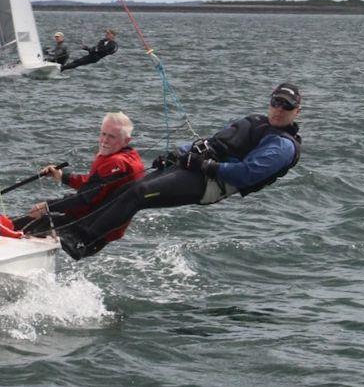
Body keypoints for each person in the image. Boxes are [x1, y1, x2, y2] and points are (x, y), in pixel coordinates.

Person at [59, 83, 303, 260]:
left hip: (210, 184)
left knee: (139, 193)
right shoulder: (257, 120)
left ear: (296, 111)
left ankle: (84, 241)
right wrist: (179, 153)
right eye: (276, 103)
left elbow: (245, 174)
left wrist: (204, 166)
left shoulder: (282, 146)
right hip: (193, 167)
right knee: (126, 188)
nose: (279, 110)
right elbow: (215, 141)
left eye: (286, 106)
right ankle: (74, 228)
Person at [10, 112, 145, 237]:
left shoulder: (117, 163)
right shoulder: (129, 157)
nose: (104, 140)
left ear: (126, 141)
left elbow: (84, 197)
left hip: (88, 230)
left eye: (111, 136)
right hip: (91, 222)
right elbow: (94, 186)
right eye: (103, 134)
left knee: (17, 225)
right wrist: (63, 176)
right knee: (22, 223)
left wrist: (46, 206)